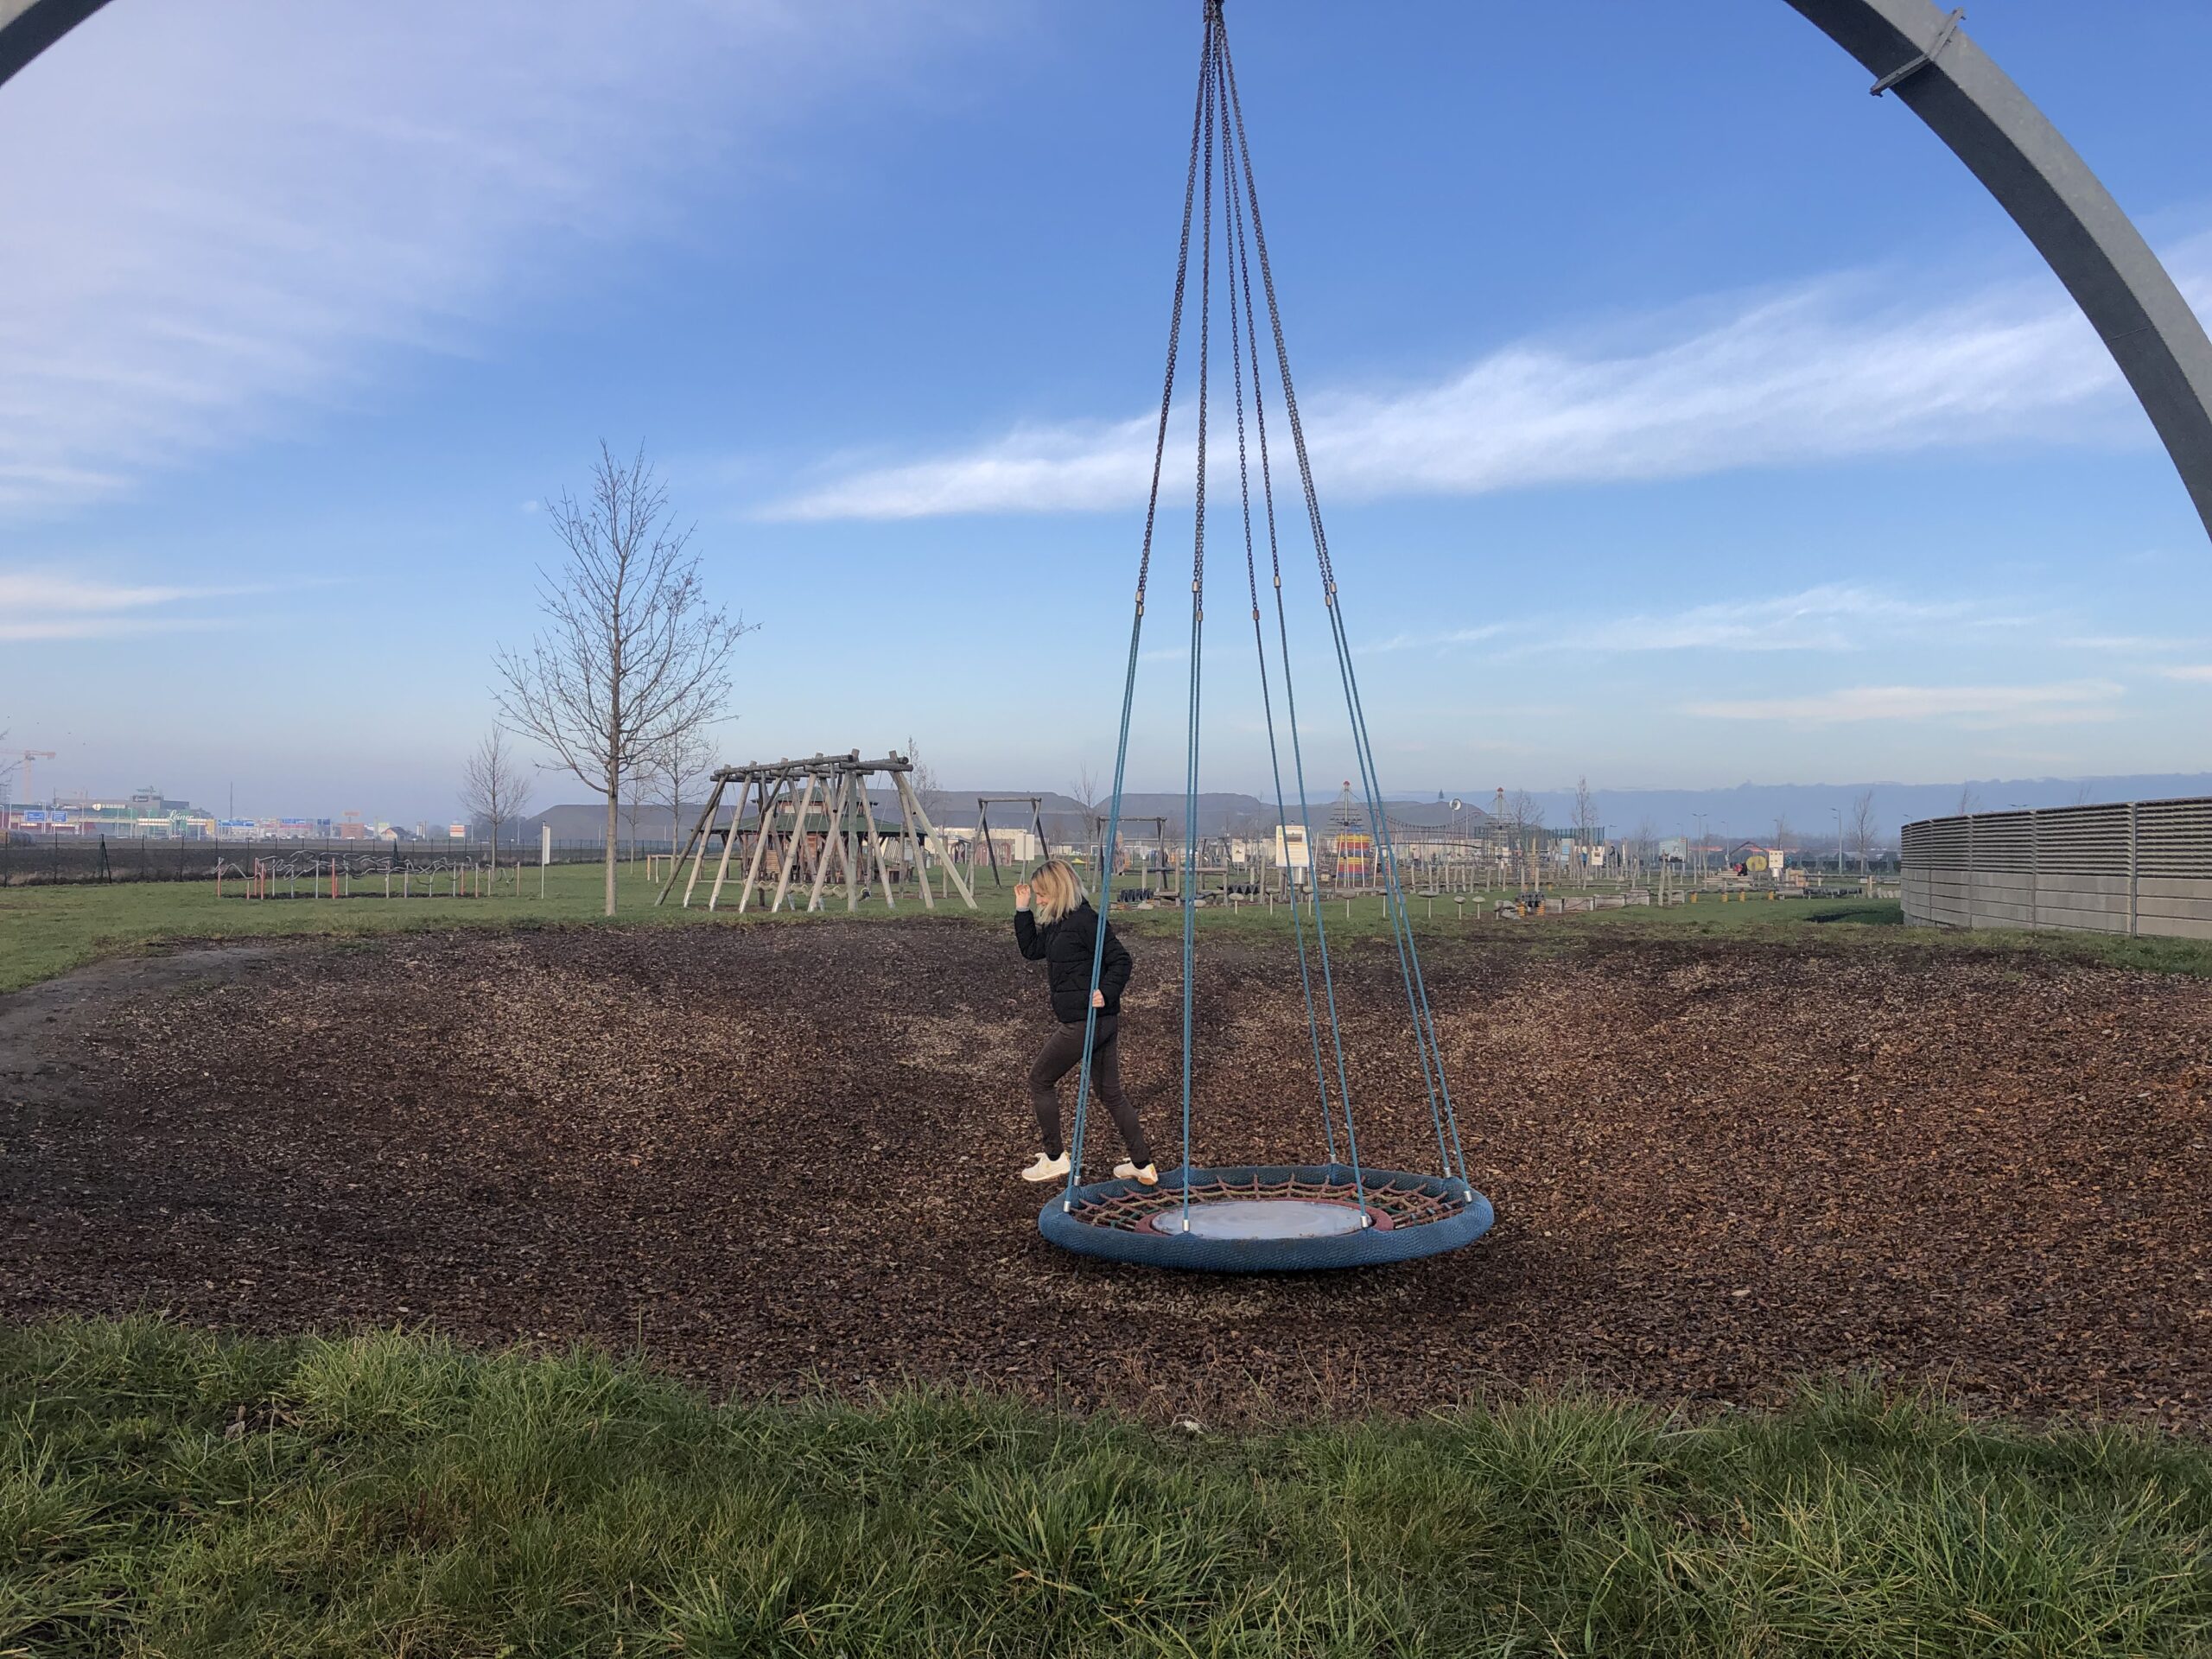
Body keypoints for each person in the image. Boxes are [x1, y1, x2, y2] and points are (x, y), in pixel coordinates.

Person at [1012, 859, 1157, 1185]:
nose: (1038, 900)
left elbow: (1120, 959)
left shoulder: (1086, 921)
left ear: (1057, 890)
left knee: (1040, 1080)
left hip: (1085, 1021)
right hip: (1096, 1022)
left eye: (1041, 895)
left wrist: (1106, 991)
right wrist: (1022, 912)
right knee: (1110, 1094)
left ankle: (1054, 1158)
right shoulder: (1058, 921)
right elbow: (1032, 950)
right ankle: (1142, 1164)